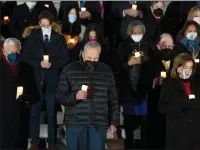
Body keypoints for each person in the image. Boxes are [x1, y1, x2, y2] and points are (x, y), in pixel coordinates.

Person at [57, 41, 119, 150]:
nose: (92, 61)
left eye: (95, 58)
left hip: (98, 124)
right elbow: (61, 97)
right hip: (75, 123)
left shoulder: (106, 71)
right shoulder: (69, 70)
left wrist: (114, 122)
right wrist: (75, 96)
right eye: (89, 57)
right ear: (82, 54)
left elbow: (113, 99)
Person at [21, 11, 69, 150]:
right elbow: (25, 58)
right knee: (34, 111)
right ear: (39, 24)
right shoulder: (32, 37)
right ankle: (35, 142)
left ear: (52, 25)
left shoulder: (59, 39)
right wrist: (39, 64)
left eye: (47, 26)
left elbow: (65, 59)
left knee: (51, 113)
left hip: (52, 80)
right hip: (36, 80)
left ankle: (52, 142)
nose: (45, 28)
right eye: (42, 25)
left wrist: (52, 64)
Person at [159, 53, 200, 150]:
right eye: (185, 67)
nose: (188, 71)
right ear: (178, 68)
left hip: (195, 132)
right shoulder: (169, 83)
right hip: (177, 132)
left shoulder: (197, 82)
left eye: (190, 68)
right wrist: (183, 104)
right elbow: (162, 108)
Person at [115, 20, 149, 149]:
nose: (137, 34)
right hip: (128, 91)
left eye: (140, 32)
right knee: (129, 124)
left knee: (144, 125)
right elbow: (117, 66)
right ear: (130, 33)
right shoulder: (123, 46)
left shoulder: (147, 45)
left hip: (144, 91)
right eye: (135, 33)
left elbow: (152, 64)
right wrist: (127, 64)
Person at [0, 38, 36, 149]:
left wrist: (26, 99)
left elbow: (35, 93)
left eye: (16, 52)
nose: (14, 55)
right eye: (10, 52)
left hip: (21, 116)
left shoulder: (27, 69)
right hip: (3, 117)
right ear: (4, 51)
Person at [147, 33, 176, 149]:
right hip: (156, 105)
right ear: (158, 46)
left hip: (174, 108)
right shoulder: (150, 63)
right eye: (164, 45)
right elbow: (144, 83)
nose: (167, 48)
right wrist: (154, 82)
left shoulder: (179, 63)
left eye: (170, 45)